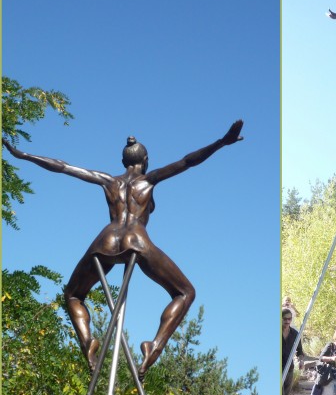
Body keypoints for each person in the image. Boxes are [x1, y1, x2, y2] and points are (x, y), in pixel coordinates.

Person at [2, 120, 243, 381]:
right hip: (136, 241)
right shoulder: (149, 180)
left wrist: (23, 155)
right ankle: (155, 345)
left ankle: (88, 343)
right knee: (186, 292)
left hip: (105, 242)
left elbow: (63, 167)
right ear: (146, 159)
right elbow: (187, 161)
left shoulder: (109, 181)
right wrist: (221, 142)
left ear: (122, 160)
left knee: (73, 295)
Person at [282, 307, 304, 395]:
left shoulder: (295, 334)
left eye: (289, 319)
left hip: (289, 370)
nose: (287, 321)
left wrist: (300, 361)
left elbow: (300, 351)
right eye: (285, 319)